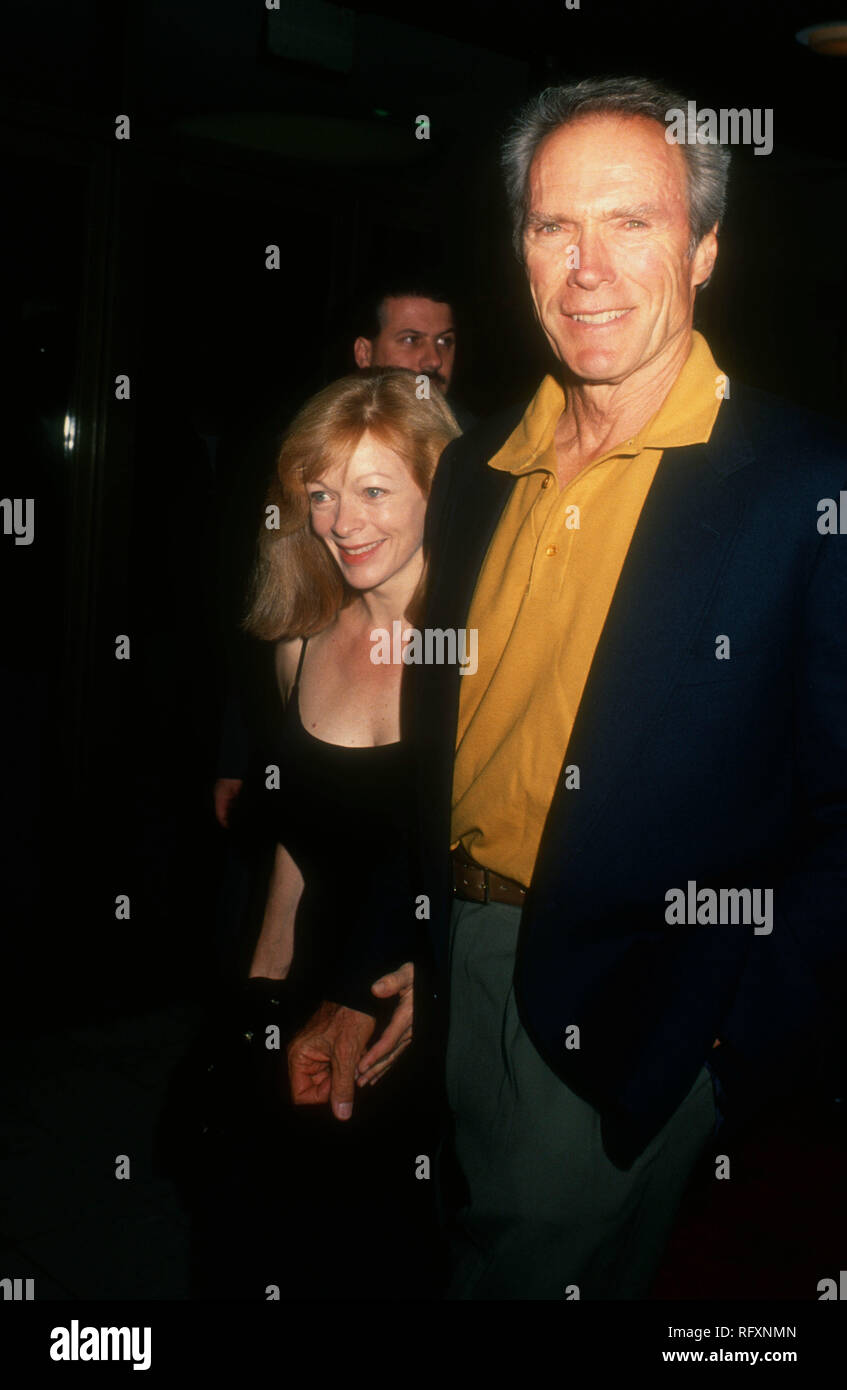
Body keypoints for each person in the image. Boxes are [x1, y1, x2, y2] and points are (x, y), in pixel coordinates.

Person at [298, 76, 847, 1300]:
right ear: (521, 250)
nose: (587, 267)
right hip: (458, 954)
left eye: (631, 222)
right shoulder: (476, 472)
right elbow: (442, 755)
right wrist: (387, 949)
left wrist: (730, 1043)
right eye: (554, 227)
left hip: (640, 993)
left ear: (705, 246)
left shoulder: (808, 486)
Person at [198, 368, 460, 1298]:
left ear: (440, 487)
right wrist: (258, 1004)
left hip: (419, 1012)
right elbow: (292, 854)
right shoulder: (300, 641)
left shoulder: (479, 655)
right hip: (300, 994)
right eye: (320, 493)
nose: (341, 520)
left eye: (375, 489)